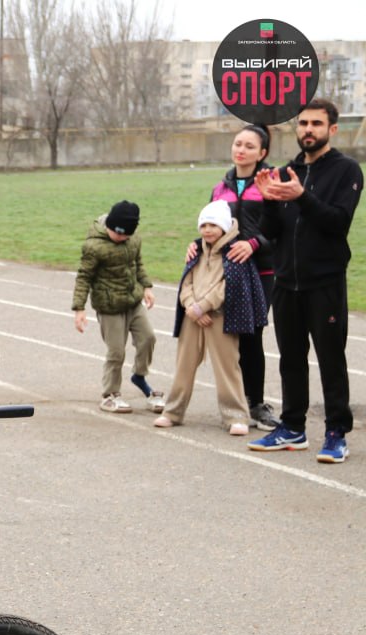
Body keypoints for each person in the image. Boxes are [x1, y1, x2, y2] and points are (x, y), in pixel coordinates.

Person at [249, 99, 362, 462]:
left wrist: (302, 197)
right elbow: (269, 233)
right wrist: (267, 201)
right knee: (291, 359)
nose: (307, 130)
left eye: (316, 123)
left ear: (332, 129)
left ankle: (335, 433)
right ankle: (292, 428)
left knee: (331, 359)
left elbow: (336, 222)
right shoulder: (284, 171)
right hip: (286, 283)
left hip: (324, 282)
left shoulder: (347, 171)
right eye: (302, 124)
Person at [191, 124, 280, 430]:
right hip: (226, 270)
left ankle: (256, 404)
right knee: (230, 336)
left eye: (249, 146)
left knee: (252, 334)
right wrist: (195, 244)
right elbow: (210, 225)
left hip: (261, 269)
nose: (241, 150)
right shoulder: (221, 187)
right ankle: (236, 403)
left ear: (263, 153)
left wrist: (254, 244)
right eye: (237, 143)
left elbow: (282, 229)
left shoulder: (272, 182)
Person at [154, 201, 267, 434]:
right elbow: (186, 282)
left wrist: (203, 307)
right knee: (184, 366)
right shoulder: (196, 249)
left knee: (227, 367)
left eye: (213, 225)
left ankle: (236, 416)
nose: (207, 230)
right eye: (203, 224)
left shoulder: (234, 252)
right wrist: (191, 307)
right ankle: (173, 412)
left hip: (221, 318)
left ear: (224, 226)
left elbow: (229, 287)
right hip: (192, 317)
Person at [72, 200, 163, 414]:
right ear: (109, 226)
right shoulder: (94, 247)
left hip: (133, 301)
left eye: (126, 235)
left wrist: (147, 286)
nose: (121, 238)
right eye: (117, 233)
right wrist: (79, 308)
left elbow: (137, 264)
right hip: (109, 307)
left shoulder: (133, 240)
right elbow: (84, 277)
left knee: (148, 338)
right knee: (116, 352)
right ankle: (110, 394)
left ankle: (139, 375)